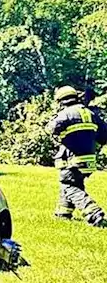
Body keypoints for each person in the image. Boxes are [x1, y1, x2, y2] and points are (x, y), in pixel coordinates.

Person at [46, 85, 107, 227]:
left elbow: (51, 128)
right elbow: (104, 136)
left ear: (61, 101)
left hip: (72, 160)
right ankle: (63, 213)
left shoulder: (65, 114)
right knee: (73, 183)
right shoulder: (91, 114)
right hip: (89, 161)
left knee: (69, 185)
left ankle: (93, 213)